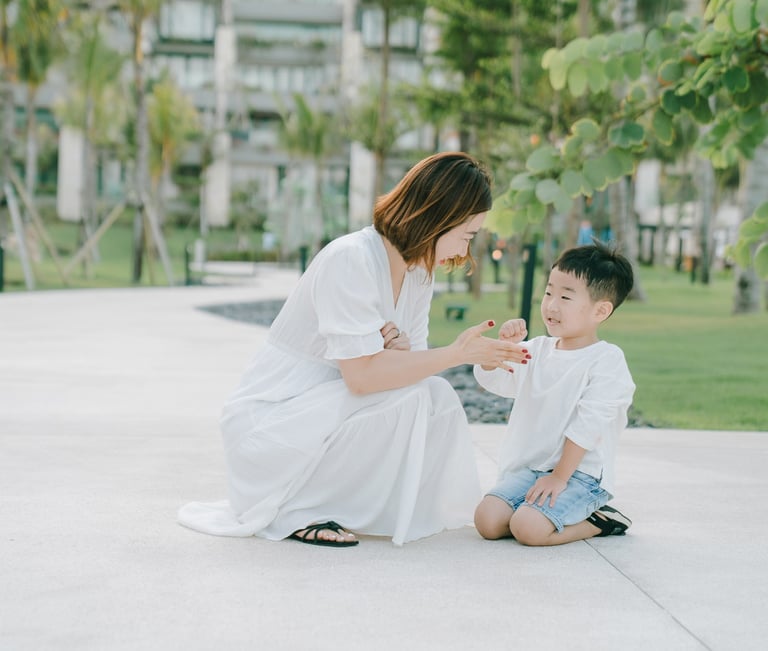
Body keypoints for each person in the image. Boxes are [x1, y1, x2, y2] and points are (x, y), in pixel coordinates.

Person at [178, 152, 529, 547]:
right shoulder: (352, 259)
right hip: (272, 425)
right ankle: (299, 509)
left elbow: (408, 365)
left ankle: (356, 506)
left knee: (435, 397)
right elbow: (363, 378)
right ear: (438, 217)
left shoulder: (418, 274)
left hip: (322, 413)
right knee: (415, 397)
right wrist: (455, 353)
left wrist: (401, 355)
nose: (466, 250)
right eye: (467, 234)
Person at [473, 241, 635, 546]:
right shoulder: (536, 349)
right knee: (487, 521)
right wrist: (501, 350)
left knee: (529, 530)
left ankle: (599, 521)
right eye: (548, 293)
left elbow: (588, 425)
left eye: (565, 297)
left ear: (600, 310)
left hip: (578, 476)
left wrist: (560, 477)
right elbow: (495, 381)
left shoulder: (606, 360)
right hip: (531, 471)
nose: (551, 305)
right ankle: (539, 511)